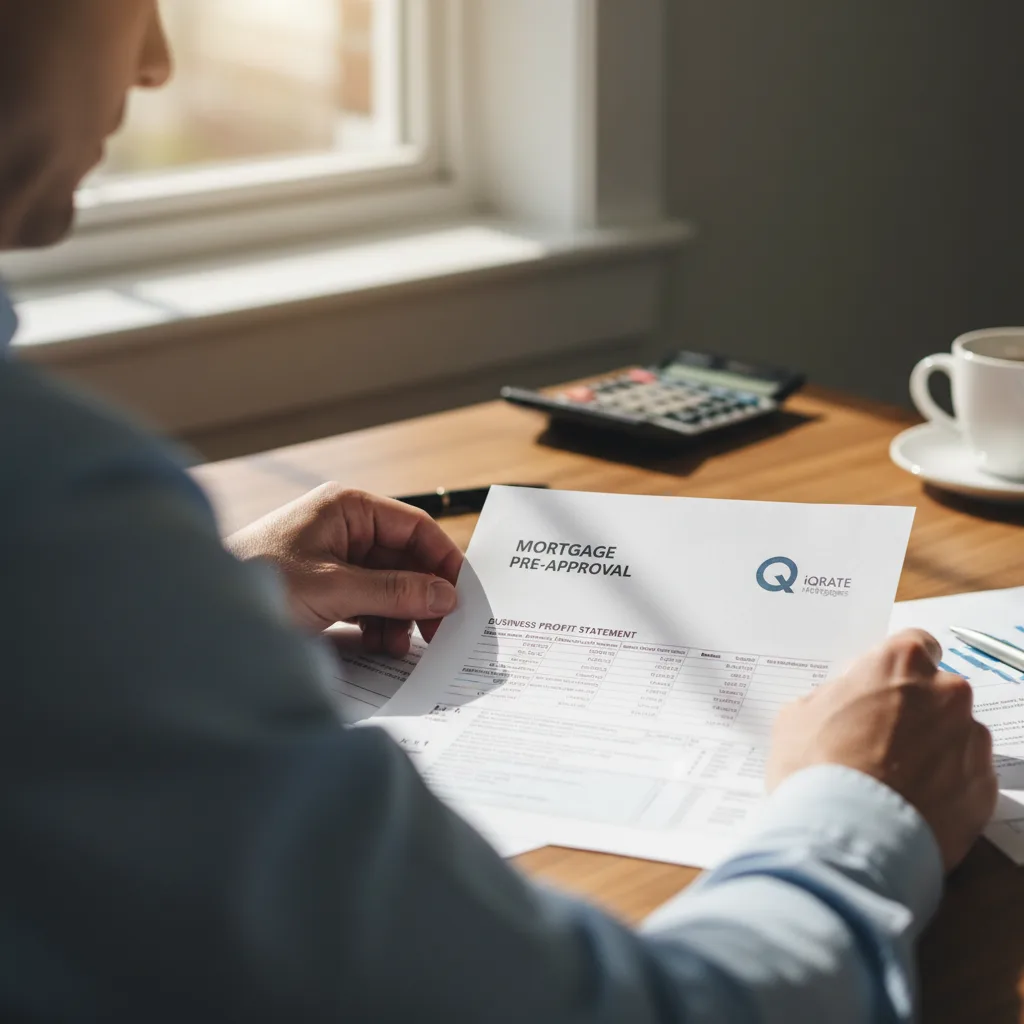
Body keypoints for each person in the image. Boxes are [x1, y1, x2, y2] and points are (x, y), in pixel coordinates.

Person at [0, 3, 998, 1022]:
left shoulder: (60, 541)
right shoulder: (48, 504)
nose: (159, 62)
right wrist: (863, 807)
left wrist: (178, 610)